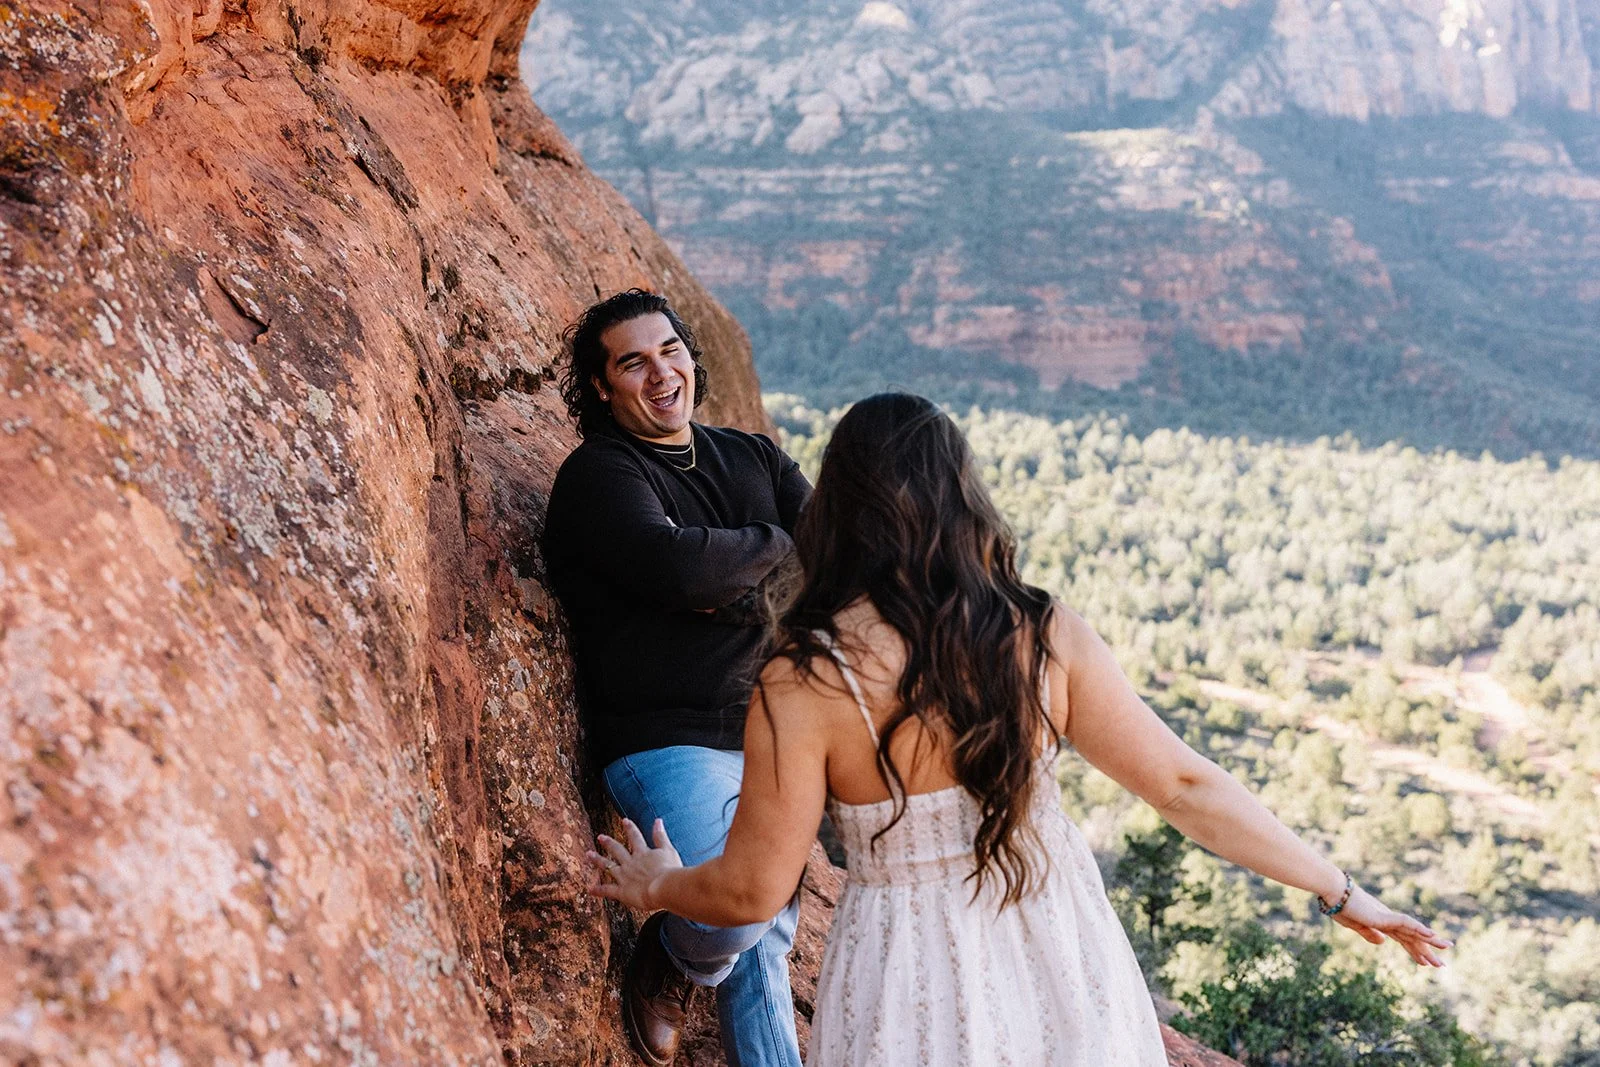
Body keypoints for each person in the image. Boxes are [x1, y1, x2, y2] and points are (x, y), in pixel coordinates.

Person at [585, 392, 1453, 1066]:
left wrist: (658, 884)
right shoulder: (1041, 633)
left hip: (902, 975)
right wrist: (1339, 889)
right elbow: (1187, 787)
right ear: (964, 495)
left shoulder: (808, 677)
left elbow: (749, 893)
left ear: (837, 510)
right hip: (1058, 953)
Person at [542, 289, 811, 1067]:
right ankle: (680, 949)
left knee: (761, 933)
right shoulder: (599, 475)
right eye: (633, 362)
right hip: (666, 739)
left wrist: (732, 567)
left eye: (670, 351)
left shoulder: (752, 456)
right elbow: (679, 569)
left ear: (691, 356)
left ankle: (691, 962)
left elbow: (830, 548)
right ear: (602, 386)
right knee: (741, 912)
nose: (661, 374)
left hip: (770, 736)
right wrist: (771, 544)